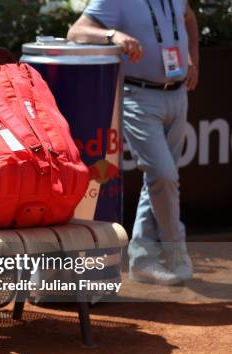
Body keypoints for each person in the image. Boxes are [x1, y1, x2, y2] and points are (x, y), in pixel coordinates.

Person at [68, 0, 199, 285]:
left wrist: (193, 58)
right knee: (163, 176)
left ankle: (142, 259)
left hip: (178, 95)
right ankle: (177, 252)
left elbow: (189, 18)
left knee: (159, 180)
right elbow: (76, 31)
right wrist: (113, 36)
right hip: (139, 97)